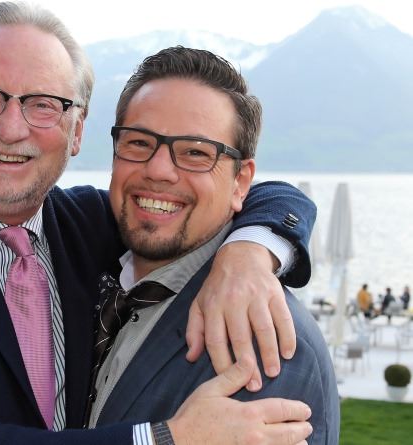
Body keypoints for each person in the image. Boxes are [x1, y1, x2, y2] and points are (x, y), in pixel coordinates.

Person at [0, 3, 316, 444]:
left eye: (43, 105)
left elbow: (247, 193)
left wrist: (248, 253)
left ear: (76, 133)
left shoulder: (86, 225)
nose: (11, 127)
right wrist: (166, 439)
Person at [88, 47, 339, 444]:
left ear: (241, 182)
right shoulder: (78, 246)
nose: (158, 170)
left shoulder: (261, 338)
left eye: (195, 152)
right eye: (138, 142)